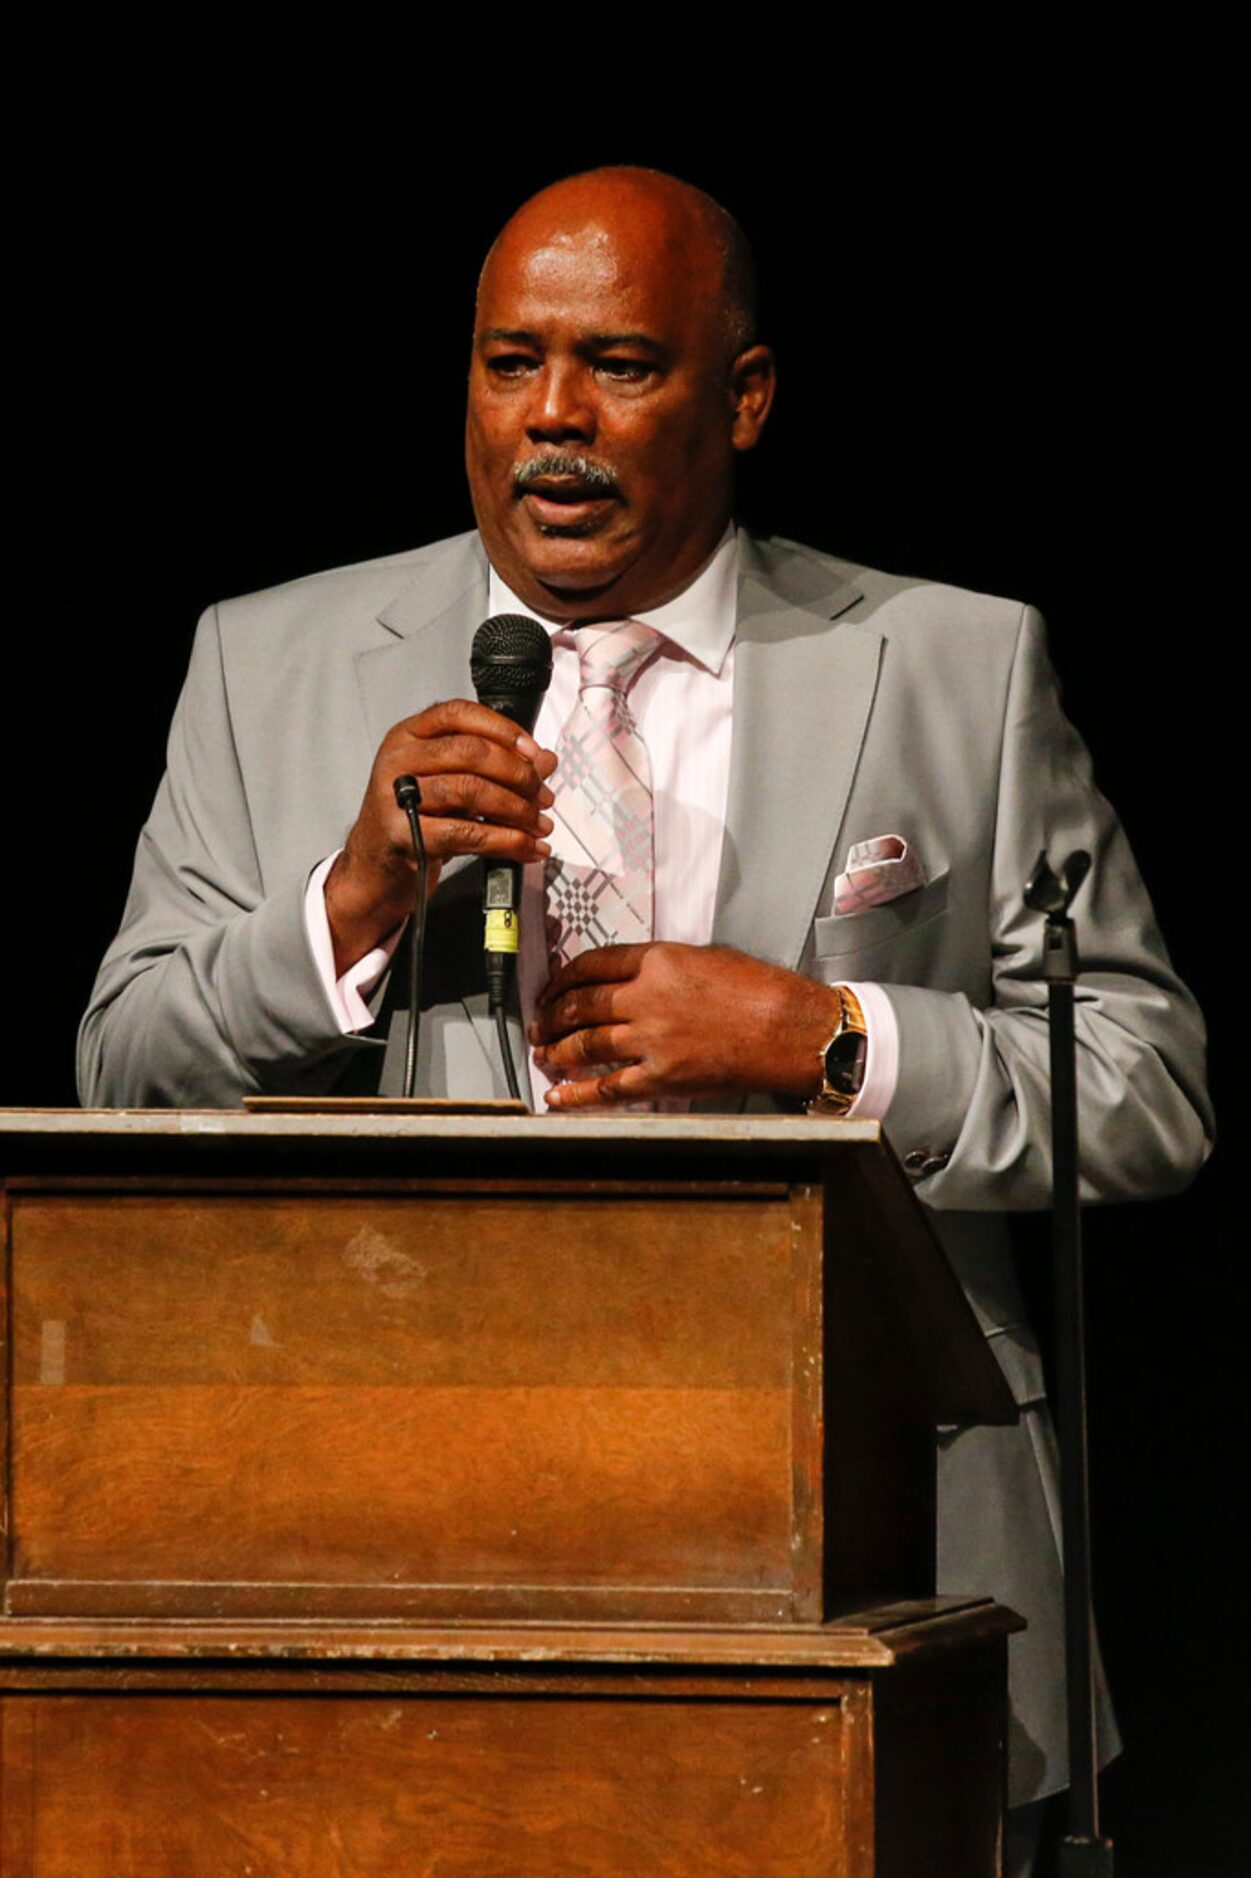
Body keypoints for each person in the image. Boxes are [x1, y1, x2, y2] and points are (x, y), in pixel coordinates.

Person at [78, 166, 1212, 1865]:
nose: (552, 418)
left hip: (879, 1566)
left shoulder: (955, 663)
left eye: (619, 363)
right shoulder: (269, 662)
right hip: (420, 1554)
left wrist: (831, 1037)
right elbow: (121, 1066)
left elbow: (1145, 1089)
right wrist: (353, 903)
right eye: (506, 360)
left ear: (741, 396)